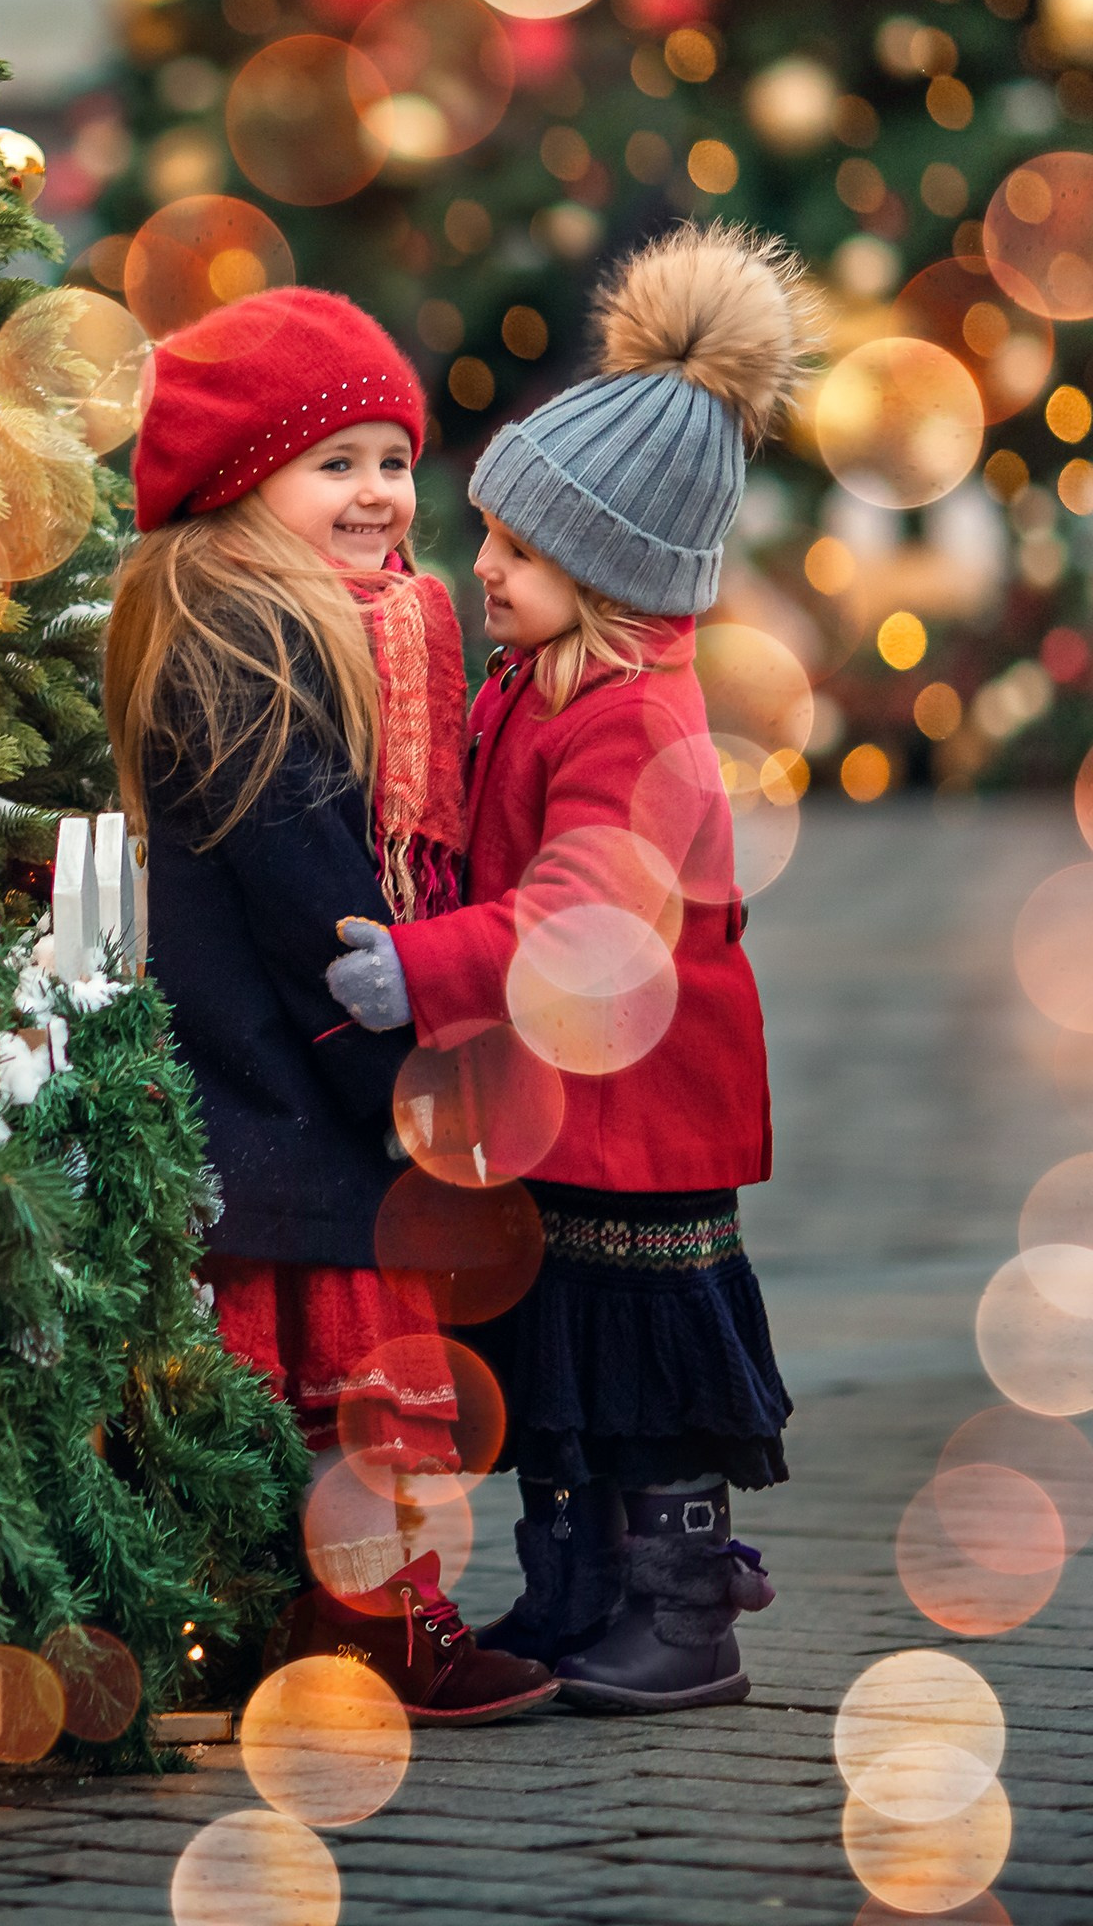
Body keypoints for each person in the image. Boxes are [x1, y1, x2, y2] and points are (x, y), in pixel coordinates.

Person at [327, 224, 812, 1714]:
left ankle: (683, 1610)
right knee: (561, 1355)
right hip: (564, 1110)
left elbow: (588, 917)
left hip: (644, 1118)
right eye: (486, 537)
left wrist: (426, 971)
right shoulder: (533, 689)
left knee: (640, 1367)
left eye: (516, 554)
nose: (479, 570)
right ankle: (576, 1586)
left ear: (610, 572)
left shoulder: (636, 725)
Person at [106, 284, 557, 1725]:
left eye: (390, 459)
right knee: (345, 1396)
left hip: (300, 1085)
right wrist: (397, 1077)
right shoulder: (246, 643)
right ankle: (371, 1628)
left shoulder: (357, 630)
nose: (378, 495)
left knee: (332, 1394)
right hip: (288, 1082)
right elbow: (316, 898)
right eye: (335, 464)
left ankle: (329, 1621)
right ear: (241, 486)